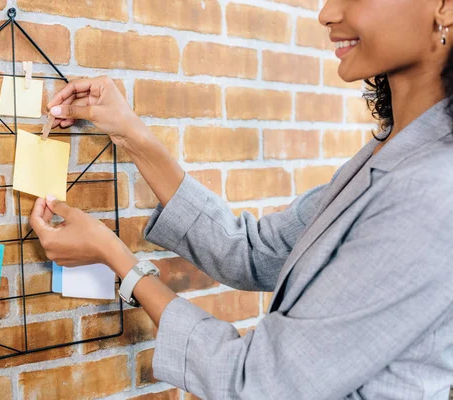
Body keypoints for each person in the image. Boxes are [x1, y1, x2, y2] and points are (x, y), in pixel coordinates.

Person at [28, 0, 453, 398]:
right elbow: (250, 250)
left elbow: (254, 382)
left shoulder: (432, 191)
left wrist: (116, 256)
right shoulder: (389, 153)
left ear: (444, 6)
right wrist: (131, 132)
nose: (327, 13)